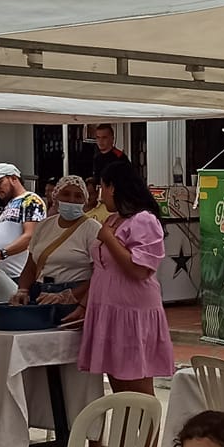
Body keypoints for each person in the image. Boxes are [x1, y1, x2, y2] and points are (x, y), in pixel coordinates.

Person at [77, 160, 175, 394]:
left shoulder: (143, 220)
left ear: (113, 187)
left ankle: (148, 432)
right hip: (108, 312)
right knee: (120, 392)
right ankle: (125, 432)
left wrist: (109, 239)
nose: (100, 197)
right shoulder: (113, 220)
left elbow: (139, 270)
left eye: (101, 188)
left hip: (131, 315)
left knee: (139, 393)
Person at [13, 174, 98, 304]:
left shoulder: (92, 228)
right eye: (66, 194)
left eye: (78, 196)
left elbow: (99, 274)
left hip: (74, 298)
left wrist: (69, 296)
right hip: (41, 293)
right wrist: (22, 290)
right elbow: (31, 265)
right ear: (56, 197)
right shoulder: (43, 226)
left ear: (85, 201)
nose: (71, 200)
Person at [0, 161, 46, 279]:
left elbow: (30, 236)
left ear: (13, 179)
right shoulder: (10, 204)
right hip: (3, 274)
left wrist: (1, 253)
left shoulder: (31, 200)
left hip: (19, 275)